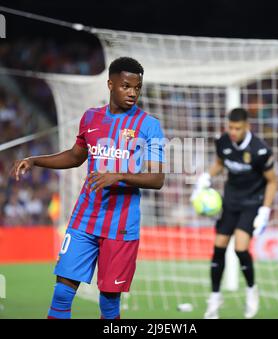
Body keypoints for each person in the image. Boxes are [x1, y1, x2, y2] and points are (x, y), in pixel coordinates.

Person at [10, 57, 165, 319]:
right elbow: (74, 156)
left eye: (137, 87)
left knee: (109, 303)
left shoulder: (149, 126)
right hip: (85, 219)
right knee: (62, 292)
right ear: (110, 84)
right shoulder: (91, 118)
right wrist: (35, 160)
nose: (132, 93)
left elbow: (156, 178)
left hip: (121, 226)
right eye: (126, 86)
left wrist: (119, 176)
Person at [191, 108, 277, 319]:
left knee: (240, 248)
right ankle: (214, 298)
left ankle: (251, 290)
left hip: (251, 203)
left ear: (247, 126)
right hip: (230, 201)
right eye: (230, 127)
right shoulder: (223, 142)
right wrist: (206, 177)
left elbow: (273, 180)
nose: (233, 132)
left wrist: (265, 210)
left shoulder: (260, 150)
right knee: (218, 247)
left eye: (237, 128)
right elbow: (220, 164)